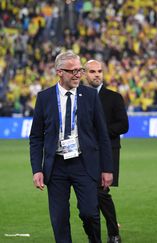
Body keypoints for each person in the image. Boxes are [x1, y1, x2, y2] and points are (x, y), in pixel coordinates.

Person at [29, 50, 113, 243]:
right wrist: (37, 169)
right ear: (59, 72)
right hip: (56, 165)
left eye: (80, 70)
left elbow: (102, 135)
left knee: (89, 213)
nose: (77, 75)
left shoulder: (90, 95)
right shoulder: (44, 97)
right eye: (72, 71)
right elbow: (35, 137)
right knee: (59, 218)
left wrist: (107, 168)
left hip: (84, 163)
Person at [85, 60, 129, 243]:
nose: (97, 74)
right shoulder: (79, 96)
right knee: (91, 195)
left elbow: (123, 125)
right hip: (84, 153)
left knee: (101, 193)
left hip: (107, 152)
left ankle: (113, 233)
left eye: (100, 71)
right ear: (84, 74)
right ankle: (101, 234)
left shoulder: (114, 97)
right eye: (93, 71)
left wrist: (99, 133)